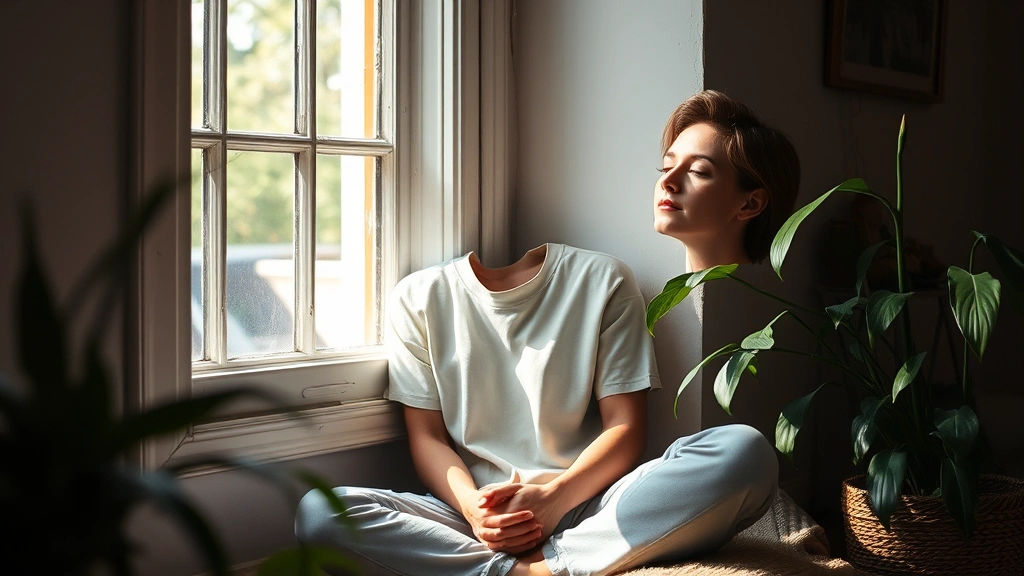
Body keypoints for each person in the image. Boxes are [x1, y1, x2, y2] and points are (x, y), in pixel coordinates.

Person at [295, 89, 797, 576]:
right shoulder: (419, 297)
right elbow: (426, 438)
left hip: (589, 506)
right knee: (320, 512)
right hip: (472, 519)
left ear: (748, 205)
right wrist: (475, 510)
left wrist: (553, 501)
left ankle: (548, 567)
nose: (668, 182)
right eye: (666, 166)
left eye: (698, 171)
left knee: (746, 452)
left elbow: (626, 431)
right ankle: (525, 570)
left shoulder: (603, 280)